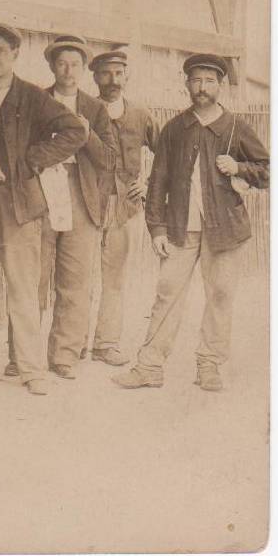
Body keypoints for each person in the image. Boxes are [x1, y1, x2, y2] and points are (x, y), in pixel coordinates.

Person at [113, 53, 270, 392]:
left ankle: (209, 365)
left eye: (210, 80)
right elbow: (158, 181)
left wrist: (239, 168)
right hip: (180, 229)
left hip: (226, 229)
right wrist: (156, 228)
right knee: (167, 294)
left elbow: (268, 171)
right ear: (186, 83)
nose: (202, 87)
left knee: (221, 295)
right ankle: (149, 367)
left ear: (221, 85)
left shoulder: (235, 128)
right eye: (196, 80)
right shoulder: (174, 129)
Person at [0, 23, 86, 396]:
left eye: (1, 50)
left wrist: (34, 159)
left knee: (22, 286)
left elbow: (74, 130)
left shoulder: (32, 97)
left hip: (20, 202)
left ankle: (31, 369)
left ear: (15, 54)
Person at [38, 35, 118, 379]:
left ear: (84, 69)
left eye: (74, 64)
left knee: (75, 278)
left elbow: (109, 159)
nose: (67, 71)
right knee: (34, 277)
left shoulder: (95, 109)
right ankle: (21, 354)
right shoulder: (35, 101)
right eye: (61, 63)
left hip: (81, 194)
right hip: (41, 192)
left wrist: (86, 133)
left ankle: (64, 356)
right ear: (52, 66)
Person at [89, 48, 159, 366]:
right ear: (95, 77)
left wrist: (148, 184)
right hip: (88, 203)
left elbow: (167, 157)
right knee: (77, 276)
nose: (113, 80)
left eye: (119, 73)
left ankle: (106, 343)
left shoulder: (141, 114)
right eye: (106, 73)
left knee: (114, 278)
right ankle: (73, 345)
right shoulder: (86, 111)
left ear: (126, 76)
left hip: (124, 208)